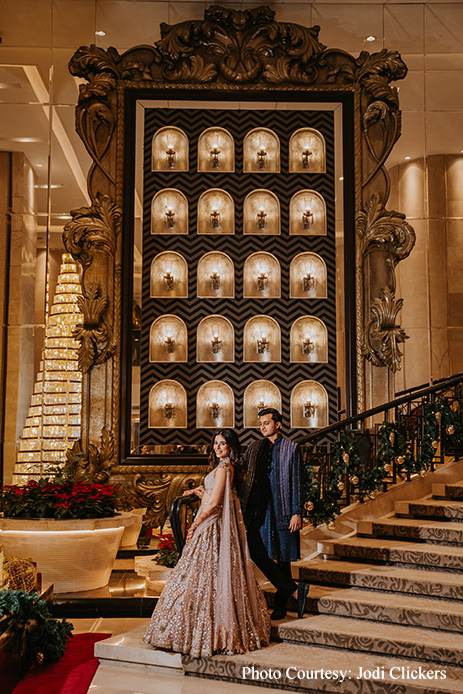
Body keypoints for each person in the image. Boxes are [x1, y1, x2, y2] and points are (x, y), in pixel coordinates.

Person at [143, 429, 270, 658]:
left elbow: (213, 503)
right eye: (215, 443)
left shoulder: (223, 468)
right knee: (208, 577)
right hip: (216, 523)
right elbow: (215, 496)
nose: (218, 447)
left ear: (231, 446)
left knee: (203, 575)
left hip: (212, 525)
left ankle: (203, 632)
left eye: (223, 444)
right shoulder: (225, 467)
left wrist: (195, 524)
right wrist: (199, 492)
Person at [242, 407, 309, 621]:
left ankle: (281, 605)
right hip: (260, 510)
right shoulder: (254, 448)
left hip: (284, 509)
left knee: (282, 557)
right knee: (257, 552)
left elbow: (298, 482)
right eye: (260, 423)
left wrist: (297, 512)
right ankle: (295, 590)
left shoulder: (291, 448)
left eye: (266, 423)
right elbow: (241, 469)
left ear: (277, 425)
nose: (262, 427)